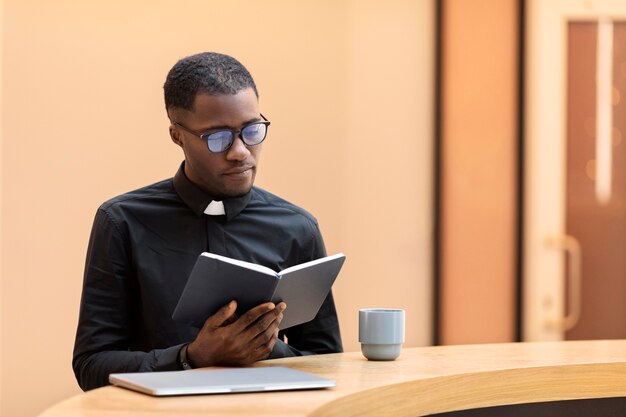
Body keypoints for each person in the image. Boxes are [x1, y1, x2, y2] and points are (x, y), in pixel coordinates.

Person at [72, 52, 343, 391]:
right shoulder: (122, 222)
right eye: (218, 137)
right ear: (177, 135)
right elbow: (91, 366)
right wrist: (191, 357)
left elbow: (330, 362)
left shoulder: (297, 228)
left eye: (252, 130)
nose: (240, 151)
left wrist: (261, 345)